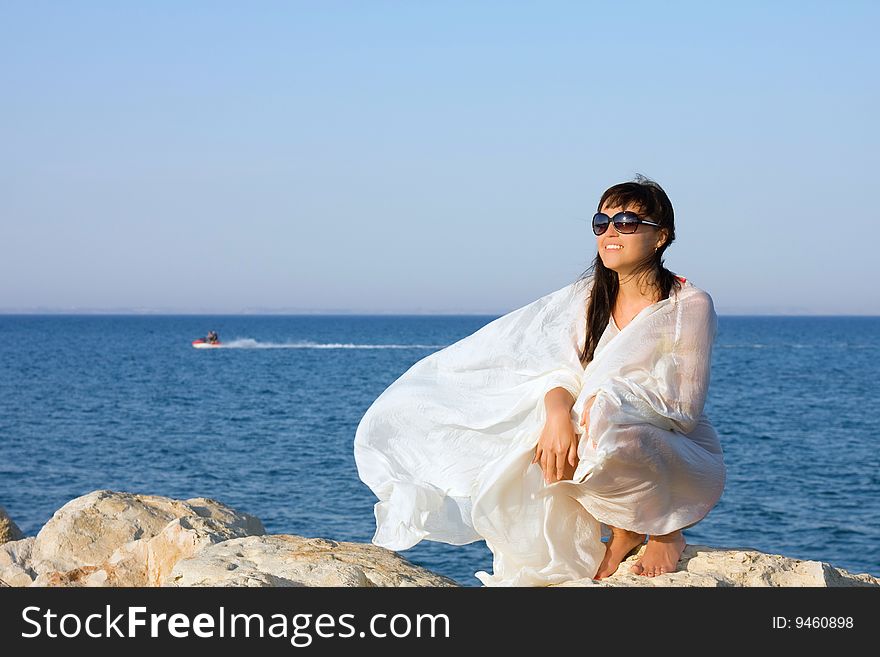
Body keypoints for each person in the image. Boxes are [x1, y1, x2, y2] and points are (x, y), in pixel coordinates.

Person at [354, 174, 725, 586]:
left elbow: (682, 407)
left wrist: (601, 402)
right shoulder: (588, 298)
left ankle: (665, 531)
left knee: (601, 422)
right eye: (601, 222)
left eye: (626, 222)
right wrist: (556, 415)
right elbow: (555, 367)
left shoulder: (686, 304)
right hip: (596, 425)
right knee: (531, 440)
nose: (610, 233)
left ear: (661, 237)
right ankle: (624, 528)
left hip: (669, 448)